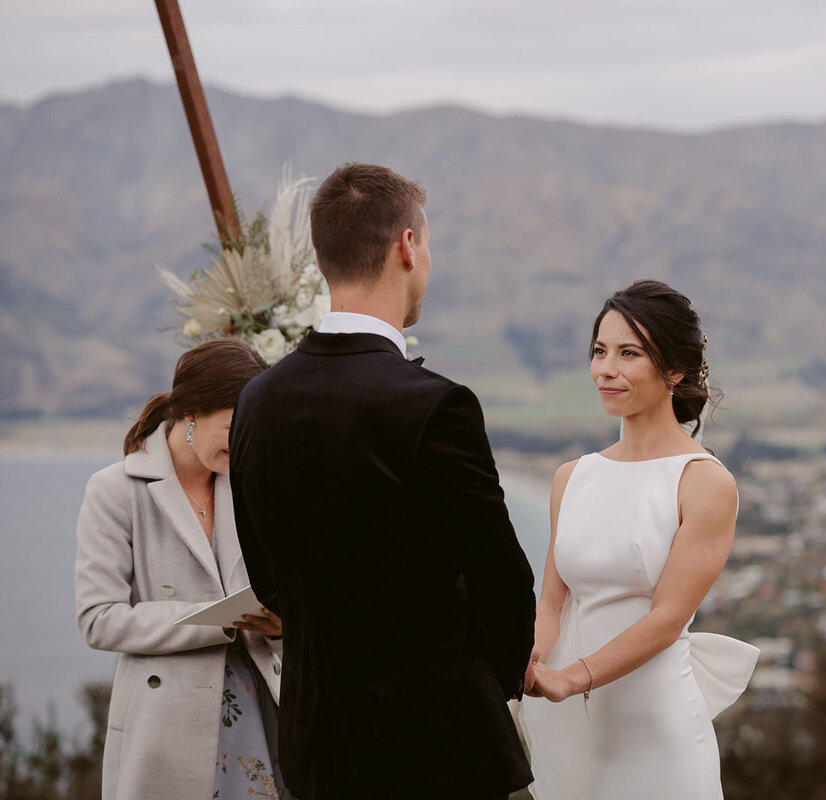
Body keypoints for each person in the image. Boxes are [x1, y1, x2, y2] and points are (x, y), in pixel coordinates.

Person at [229, 162, 537, 799]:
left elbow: (268, 582)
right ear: (408, 245)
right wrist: (478, 686)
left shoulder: (256, 401)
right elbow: (503, 582)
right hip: (436, 750)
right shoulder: (435, 405)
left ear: (322, 258)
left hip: (316, 749)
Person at [518, 279, 760, 800]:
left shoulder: (704, 482)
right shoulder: (571, 477)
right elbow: (553, 602)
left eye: (629, 353)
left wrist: (572, 679)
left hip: (656, 730)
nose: (605, 369)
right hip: (573, 733)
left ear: (674, 369)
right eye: (600, 351)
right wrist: (530, 661)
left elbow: (667, 618)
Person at [75, 338, 292, 800]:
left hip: (264, 710)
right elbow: (98, 619)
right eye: (233, 426)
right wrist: (216, 618)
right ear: (191, 413)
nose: (243, 441)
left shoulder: (251, 482)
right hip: (165, 727)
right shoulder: (115, 490)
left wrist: (278, 627)